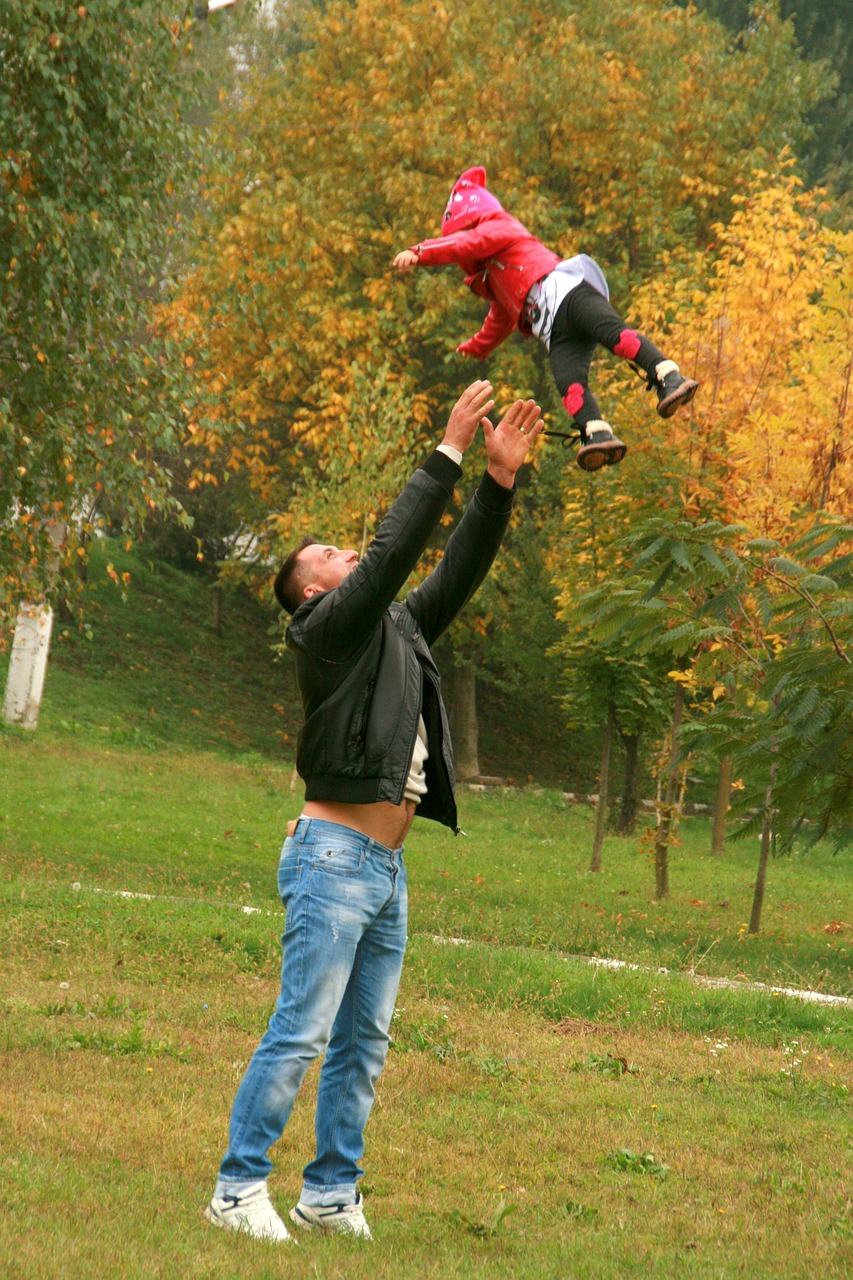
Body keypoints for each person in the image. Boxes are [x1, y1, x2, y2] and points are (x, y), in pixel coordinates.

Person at [204, 380, 543, 1244]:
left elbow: (451, 571)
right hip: (332, 859)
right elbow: (392, 552)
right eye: (330, 554)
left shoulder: (393, 629)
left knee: (362, 1046)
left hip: (383, 871)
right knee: (302, 1031)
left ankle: (329, 1194)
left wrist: (496, 485)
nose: (349, 555)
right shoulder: (323, 632)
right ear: (308, 591)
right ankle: (237, 1188)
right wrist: (448, 451)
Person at [393, 166, 698, 473]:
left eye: (463, 232)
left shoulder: (501, 227)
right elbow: (501, 318)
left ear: (473, 220)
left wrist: (421, 252)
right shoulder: (493, 276)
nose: (463, 248)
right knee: (569, 382)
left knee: (615, 337)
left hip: (570, 294)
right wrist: (479, 345)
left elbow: (467, 244)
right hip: (554, 332)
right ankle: (597, 433)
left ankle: (667, 376)